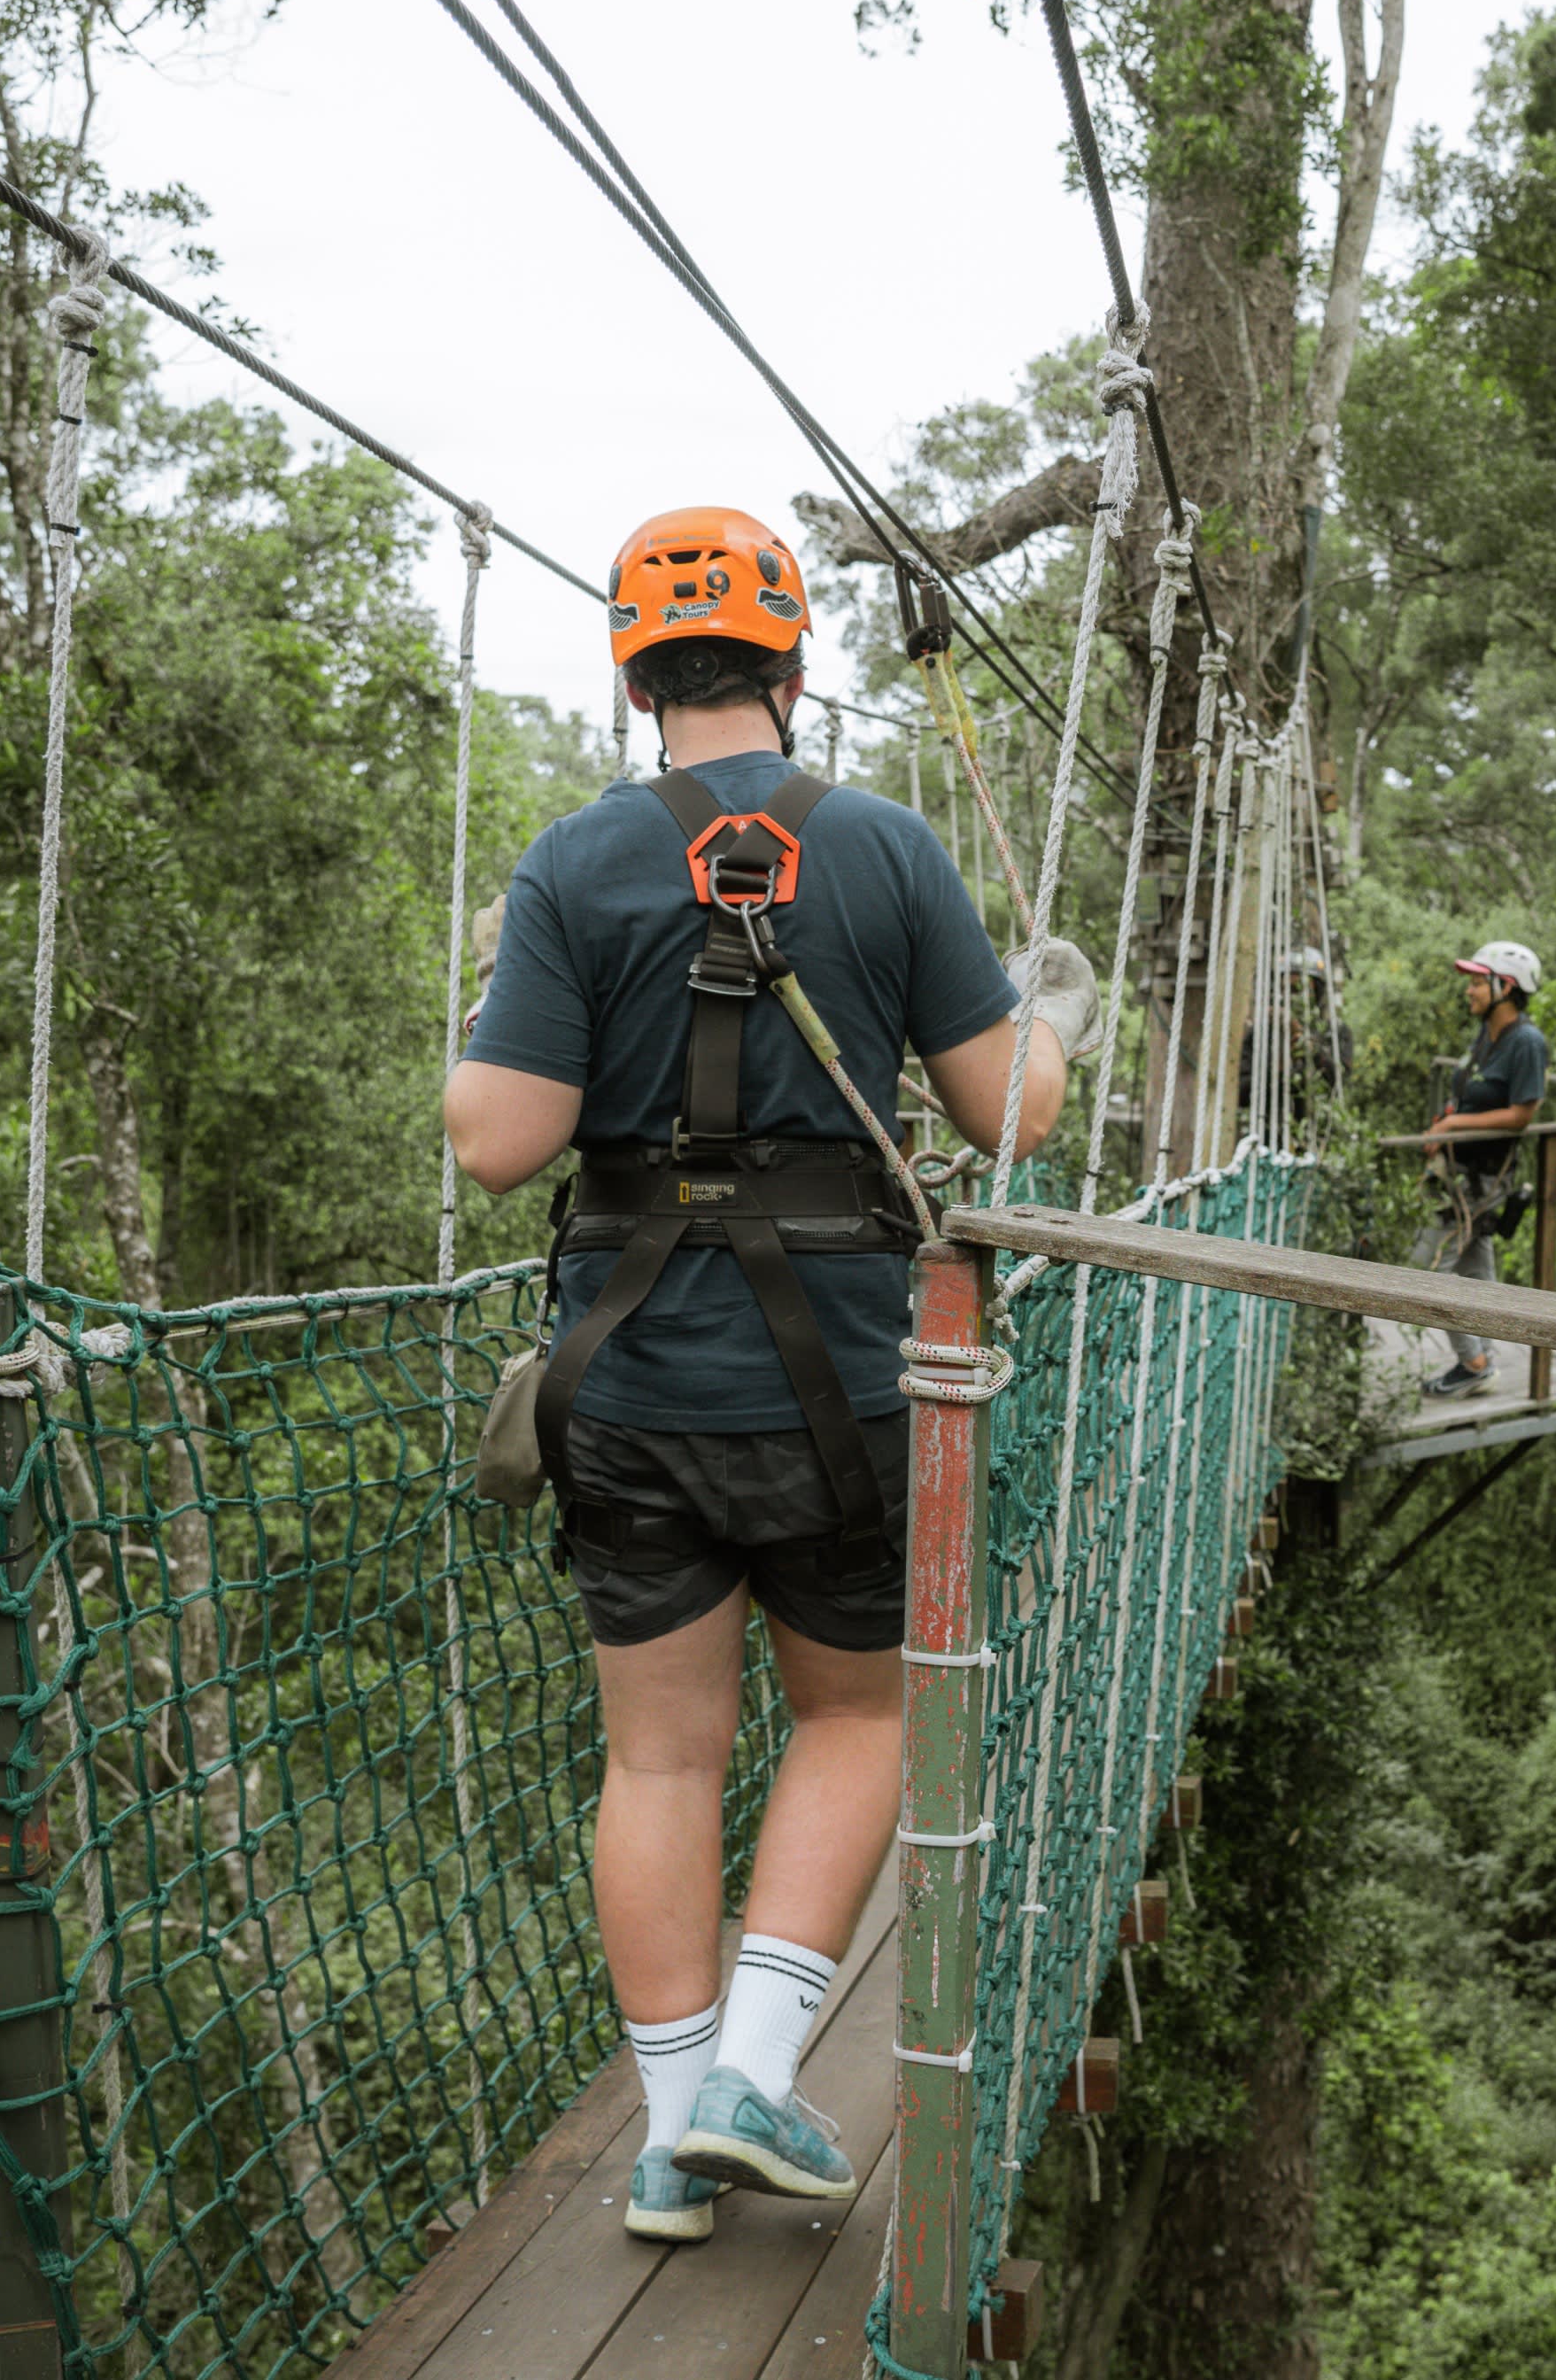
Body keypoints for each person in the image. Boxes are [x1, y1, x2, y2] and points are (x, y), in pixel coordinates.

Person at [444, 506, 1090, 2244]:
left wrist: (509, 1014)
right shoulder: (883, 848)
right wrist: (1048, 1022)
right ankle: (754, 2067)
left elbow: (499, 1144)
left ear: (633, 674)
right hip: (842, 1384)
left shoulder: (571, 864)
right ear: (794, 668)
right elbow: (1004, 1115)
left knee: (655, 1766)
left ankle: (671, 2142)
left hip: (630, 1379)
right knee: (857, 1711)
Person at [1414, 940, 1549, 1400]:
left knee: (1427, 1271)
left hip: (1483, 1177)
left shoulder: (1526, 1043)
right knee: (1475, 1273)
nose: (1469, 991)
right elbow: (1473, 1092)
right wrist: (1446, 1124)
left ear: (1504, 986)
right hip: (1459, 1171)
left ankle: (1472, 1361)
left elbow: (1521, 1114)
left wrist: (1455, 1123)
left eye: (1476, 982)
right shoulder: (1487, 1036)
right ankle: (1480, 1362)